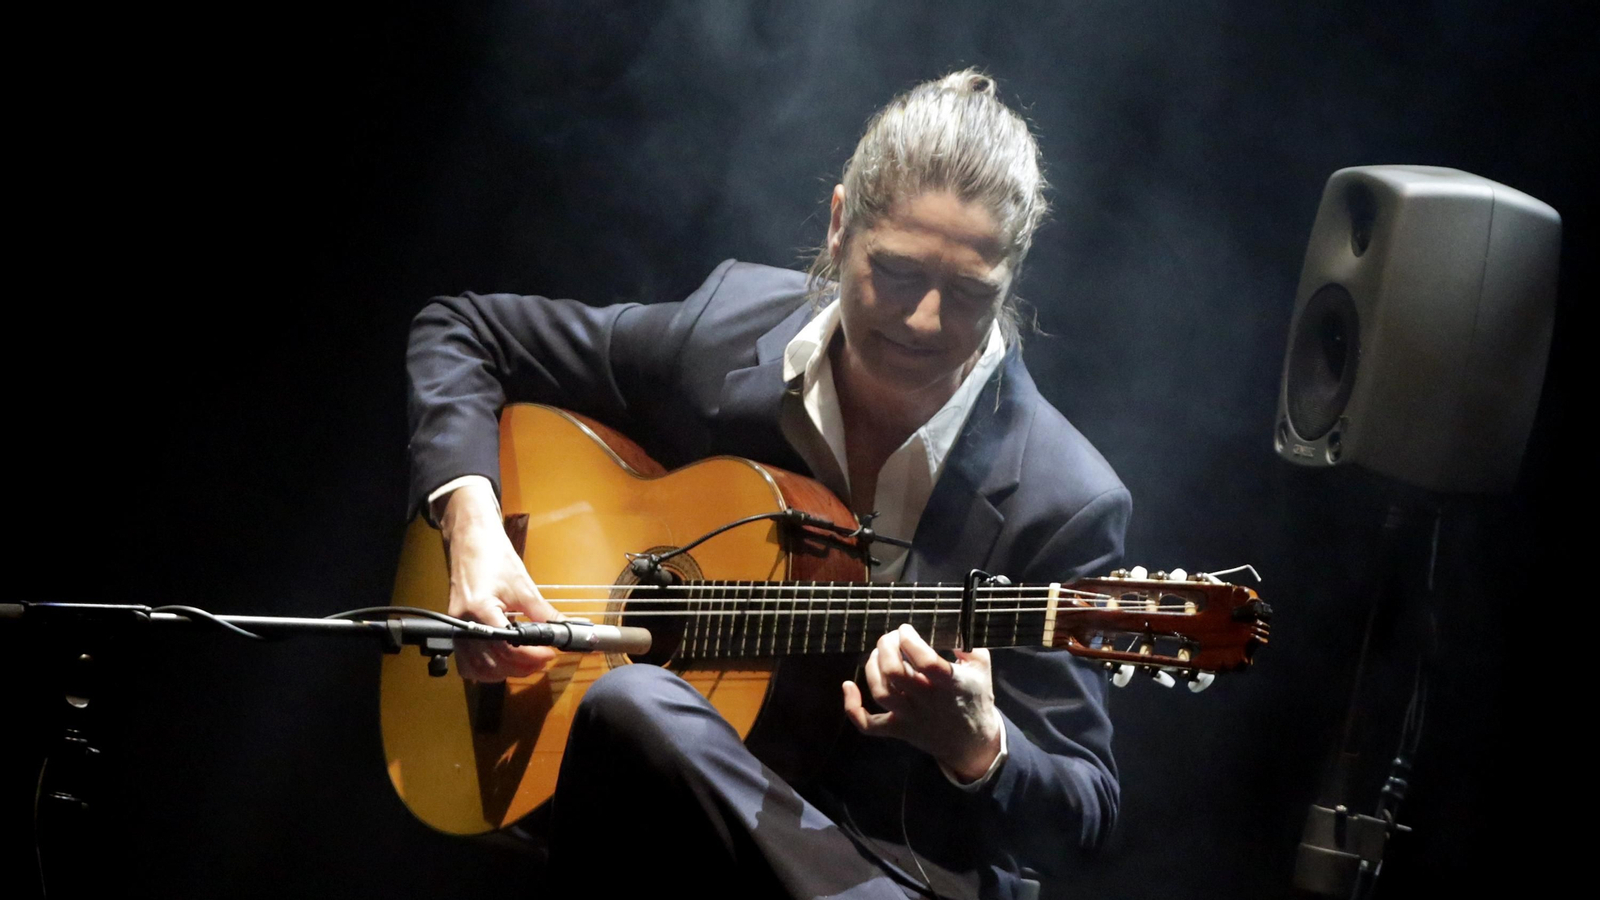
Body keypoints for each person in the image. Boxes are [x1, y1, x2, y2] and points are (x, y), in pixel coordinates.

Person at [406, 70, 1130, 899]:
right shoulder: (726, 333)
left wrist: (980, 749)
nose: (926, 320)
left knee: (635, 706)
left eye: (970, 294)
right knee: (633, 719)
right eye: (895, 273)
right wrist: (473, 527)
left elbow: (1089, 814)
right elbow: (462, 331)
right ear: (837, 226)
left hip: (884, 870)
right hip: (679, 835)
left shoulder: (1061, 497)